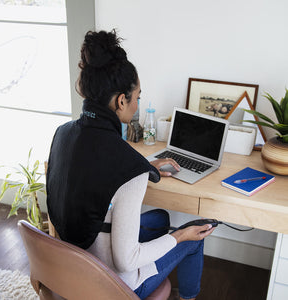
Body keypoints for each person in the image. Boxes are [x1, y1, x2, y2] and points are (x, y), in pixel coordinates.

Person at [46, 30, 215, 300]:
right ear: (121, 100)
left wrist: (143, 164)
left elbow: (94, 164)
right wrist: (181, 236)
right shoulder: (128, 168)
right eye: (136, 97)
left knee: (161, 218)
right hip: (112, 286)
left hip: (69, 269)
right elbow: (126, 260)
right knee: (193, 239)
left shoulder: (63, 134)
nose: (137, 105)